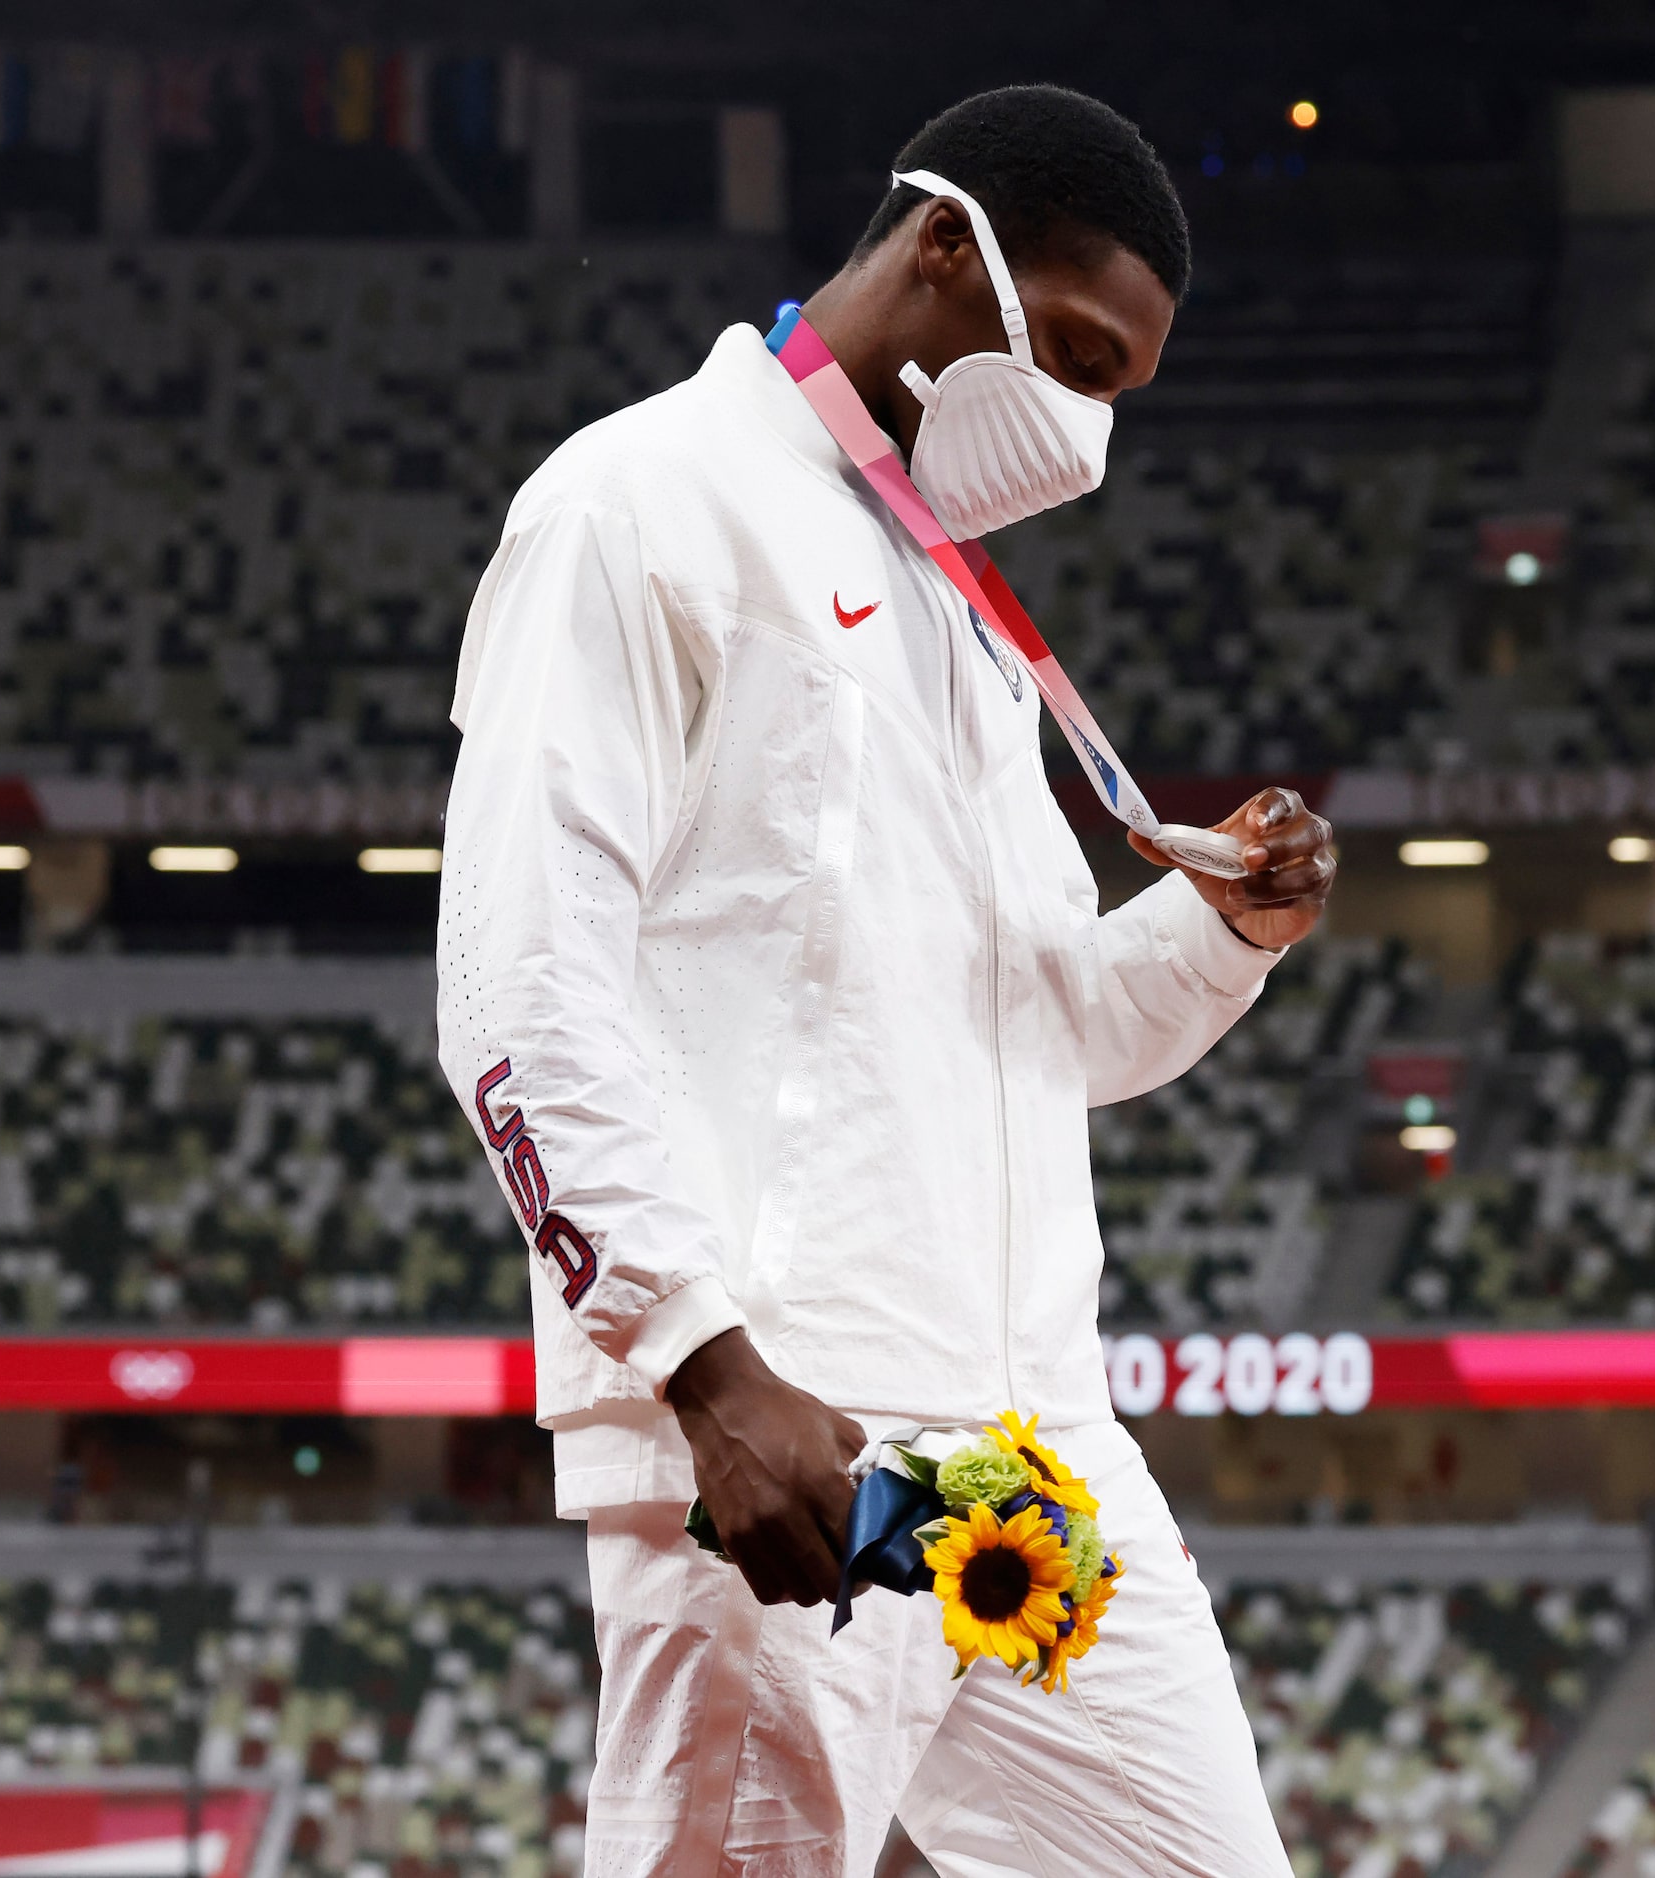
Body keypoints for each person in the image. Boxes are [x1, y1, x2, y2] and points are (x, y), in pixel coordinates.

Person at [436, 85, 1335, 1875]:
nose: (1081, 420)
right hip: (798, 1423)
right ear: (946, 244)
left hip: (1030, 1453)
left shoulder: (949, 597)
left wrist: (1229, 927)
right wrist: (705, 1368)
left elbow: (1039, 1030)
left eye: (1118, 389)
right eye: (1073, 350)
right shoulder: (638, 502)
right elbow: (514, 987)